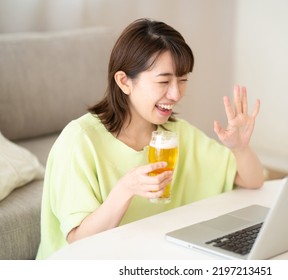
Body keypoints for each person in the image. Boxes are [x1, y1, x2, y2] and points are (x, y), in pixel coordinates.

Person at [36, 18, 264, 259]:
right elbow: (79, 241)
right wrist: (125, 189)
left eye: (183, 79)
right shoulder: (80, 141)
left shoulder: (175, 134)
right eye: (163, 81)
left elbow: (253, 180)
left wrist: (239, 148)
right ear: (124, 81)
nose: (176, 94)